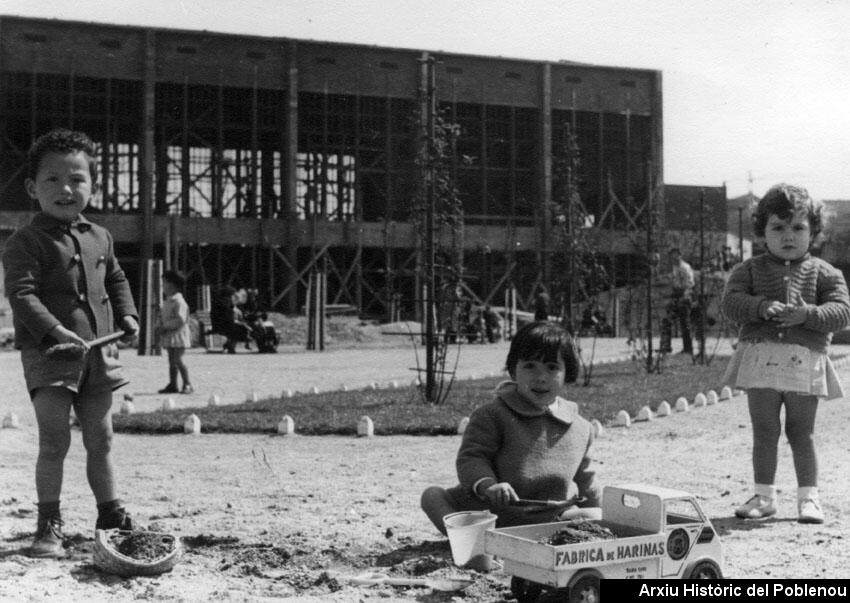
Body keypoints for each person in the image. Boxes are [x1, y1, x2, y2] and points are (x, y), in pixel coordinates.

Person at [2, 128, 139, 558]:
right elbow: (21, 295)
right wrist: (55, 331)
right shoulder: (25, 241)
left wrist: (128, 314)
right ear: (31, 187)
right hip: (50, 356)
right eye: (53, 180)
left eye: (77, 179)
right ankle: (48, 525)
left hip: (99, 354)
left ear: (93, 185)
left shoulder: (101, 236)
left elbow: (115, 277)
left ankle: (110, 516)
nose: (66, 189)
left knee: (101, 439)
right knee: (54, 441)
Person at [721, 183, 850, 524]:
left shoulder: (826, 273)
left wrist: (808, 315)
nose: (788, 236)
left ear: (814, 232)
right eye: (777, 227)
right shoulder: (747, 270)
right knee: (764, 429)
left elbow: (842, 311)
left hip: (803, 362)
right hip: (760, 359)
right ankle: (764, 496)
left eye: (798, 227)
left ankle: (809, 497)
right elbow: (730, 303)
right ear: (762, 232)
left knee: (800, 431)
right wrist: (761, 307)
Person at [420, 321, 602, 534]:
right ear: (514, 370)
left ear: (567, 373)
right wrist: (488, 485)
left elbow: (586, 480)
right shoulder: (494, 414)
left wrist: (602, 512)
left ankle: (534, 534)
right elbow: (473, 457)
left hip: (550, 514)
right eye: (529, 366)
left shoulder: (579, 427)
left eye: (552, 368)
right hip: (490, 511)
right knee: (432, 496)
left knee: (596, 516)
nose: (540, 377)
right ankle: (467, 537)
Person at [156, 270, 193, 393]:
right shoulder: (167, 301)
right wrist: (159, 325)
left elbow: (180, 320)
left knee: (179, 360)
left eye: (164, 283)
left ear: (172, 285)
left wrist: (166, 326)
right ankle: (173, 384)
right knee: (171, 361)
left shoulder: (179, 302)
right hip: (170, 335)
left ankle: (187, 384)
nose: (163, 286)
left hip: (178, 335)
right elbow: (162, 316)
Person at [666, 248, 695, 354]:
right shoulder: (674, 267)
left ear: (679, 255)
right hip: (675, 294)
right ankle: (666, 346)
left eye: (675, 255)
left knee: (685, 323)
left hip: (684, 295)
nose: (673, 258)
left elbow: (690, 283)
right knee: (667, 320)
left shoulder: (685, 267)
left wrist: (685, 295)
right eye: (671, 255)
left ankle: (688, 348)